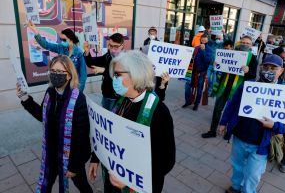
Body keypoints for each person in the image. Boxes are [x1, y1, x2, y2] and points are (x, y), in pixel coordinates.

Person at [88, 50, 175, 193]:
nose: (113, 79)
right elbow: (107, 134)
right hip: (113, 179)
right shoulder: (121, 101)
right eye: (113, 74)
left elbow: (166, 161)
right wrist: (95, 158)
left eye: (118, 75)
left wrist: (130, 179)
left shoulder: (159, 112)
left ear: (136, 75)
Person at [218, 54, 285, 193]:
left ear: (281, 71)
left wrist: (274, 126)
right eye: (266, 66)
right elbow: (232, 104)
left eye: (273, 68)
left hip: (262, 144)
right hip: (240, 137)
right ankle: (235, 187)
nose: (269, 70)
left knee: (253, 174)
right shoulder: (247, 85)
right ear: (260, 67)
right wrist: (223, 122)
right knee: (237, 165)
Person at [16, 55, 93, 193]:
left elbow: (81, 136)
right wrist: (25, 98)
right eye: (52, 71)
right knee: (46, 182)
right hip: (52, 152)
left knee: (81, 183)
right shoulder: (50, 92)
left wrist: (74, 166)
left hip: (72, 156)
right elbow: (42, 115)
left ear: (69, 75)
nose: (55, 75)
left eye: (59, 72)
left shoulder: (78, 98)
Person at [202, 36, 258, 138]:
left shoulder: (253, 59)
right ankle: (212, 131)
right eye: (243, 42)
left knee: (233, 112)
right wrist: (217, 64)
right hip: (224, 87)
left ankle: (228, 132)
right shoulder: (232, 53)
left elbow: (253, 76)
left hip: (238, 90)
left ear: (251, 46)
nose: (244, 44)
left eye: (247, 43)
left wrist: (248, 71)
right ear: (240, 43)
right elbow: (223, 67)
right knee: (217, 109)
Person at [27, 20, 87, 91]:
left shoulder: (79, 53)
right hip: (62, 83)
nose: (62, 42)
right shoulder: (60, 47)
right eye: (60, 39)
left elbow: (83, 74)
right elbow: (46, 45)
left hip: (73, 85)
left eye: (64, 40)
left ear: (71, 39)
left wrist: (79, 91)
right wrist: (36, 32)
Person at [83, 33, 124, 110]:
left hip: (117, 96)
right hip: (106, 93)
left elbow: (121, 74)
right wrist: (87, 52)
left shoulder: (125, 59)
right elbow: (92, 63)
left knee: (113, 118)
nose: (112, 49)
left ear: (122, 46)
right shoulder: (108, 55)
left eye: (116, 47)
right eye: (110, 46)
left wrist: (104, 70)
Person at [182, 34, 213, 111]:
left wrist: (203, 51)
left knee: (199, 89)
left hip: (201, 73)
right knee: (187, 86)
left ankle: (196, 104)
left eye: (205, 39)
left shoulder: (209, 50)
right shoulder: (196, 48)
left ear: (207, 40)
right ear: (200, 40)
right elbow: (191, 58)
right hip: (192, 72)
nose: (203, 40)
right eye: (202, 39)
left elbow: (207, 61)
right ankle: (188, 101)